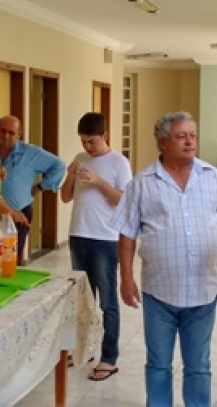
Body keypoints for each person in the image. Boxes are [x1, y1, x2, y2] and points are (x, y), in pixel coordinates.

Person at [111, 111, 217, 406]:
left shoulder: (214, 178)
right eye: (181, 137)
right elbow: (127, 233)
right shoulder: (142, 183)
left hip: (203, 292)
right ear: (162, 142)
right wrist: (126, 278)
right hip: (160, 293)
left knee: (198, 366)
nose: (190, 142)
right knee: (158, 365)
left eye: (193, 136)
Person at [60, 112, 132, 381]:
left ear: (105, 135)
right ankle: (83, 350)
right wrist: (70, 176)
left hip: (105, 240)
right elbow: (65, 197)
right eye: (83, 142)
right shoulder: (80, 158)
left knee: (108, 302)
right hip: (78, 236)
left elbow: (123, 201)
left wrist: (100, 182)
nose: (87, 147)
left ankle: (109, 358)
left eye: (91, 141)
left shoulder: (119, 162)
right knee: (82, 301)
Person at [0, 115, 66, 264]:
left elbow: (59, 166)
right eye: (3, 131)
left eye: (11, 133)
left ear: (19, 135)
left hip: (19, 214)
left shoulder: (31, 153)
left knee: (11, 260)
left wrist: (40, 187)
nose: (6, 136)